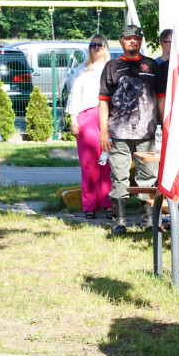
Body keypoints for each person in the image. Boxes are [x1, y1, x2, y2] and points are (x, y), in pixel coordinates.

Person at [98, 25, 166, 234]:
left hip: (146, 133)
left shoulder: (151, 65)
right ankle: (120, 220)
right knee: (120, 176)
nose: (132, 41)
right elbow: (103, 101)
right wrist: (103, 131)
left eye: (136, 38)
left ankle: (148, 221)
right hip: (118, 133)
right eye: (128, 38)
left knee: (148, 177)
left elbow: (161, 98)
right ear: (121, 41)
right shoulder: (112, 66)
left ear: (141, 41)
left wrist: (164, 125)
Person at [66, 33, 112, 220]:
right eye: (93, 44)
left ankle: (109, 203)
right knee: (89, 164)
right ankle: (90, 204)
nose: (96, 47)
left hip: (107, 118)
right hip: (86, 117)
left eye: (100, 44)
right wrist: (74, 120)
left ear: (105, 47)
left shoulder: (111, 69)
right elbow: (74, 96)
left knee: (106, 162)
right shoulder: (81, 70)